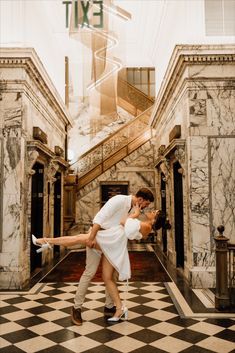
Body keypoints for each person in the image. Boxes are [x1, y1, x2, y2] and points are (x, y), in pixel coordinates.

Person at [33, 188, 154, 325]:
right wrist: (91, 237)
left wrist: (134, 217)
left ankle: (109, 306)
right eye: (146, 204)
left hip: (112, 242)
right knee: (89, 272)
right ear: (140, 199)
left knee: (111, 276)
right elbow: (99, 219)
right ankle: (76, 308)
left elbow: (124, 225)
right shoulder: (118, 200)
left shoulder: (134, 209)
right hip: (98, 236)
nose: (146, 207)